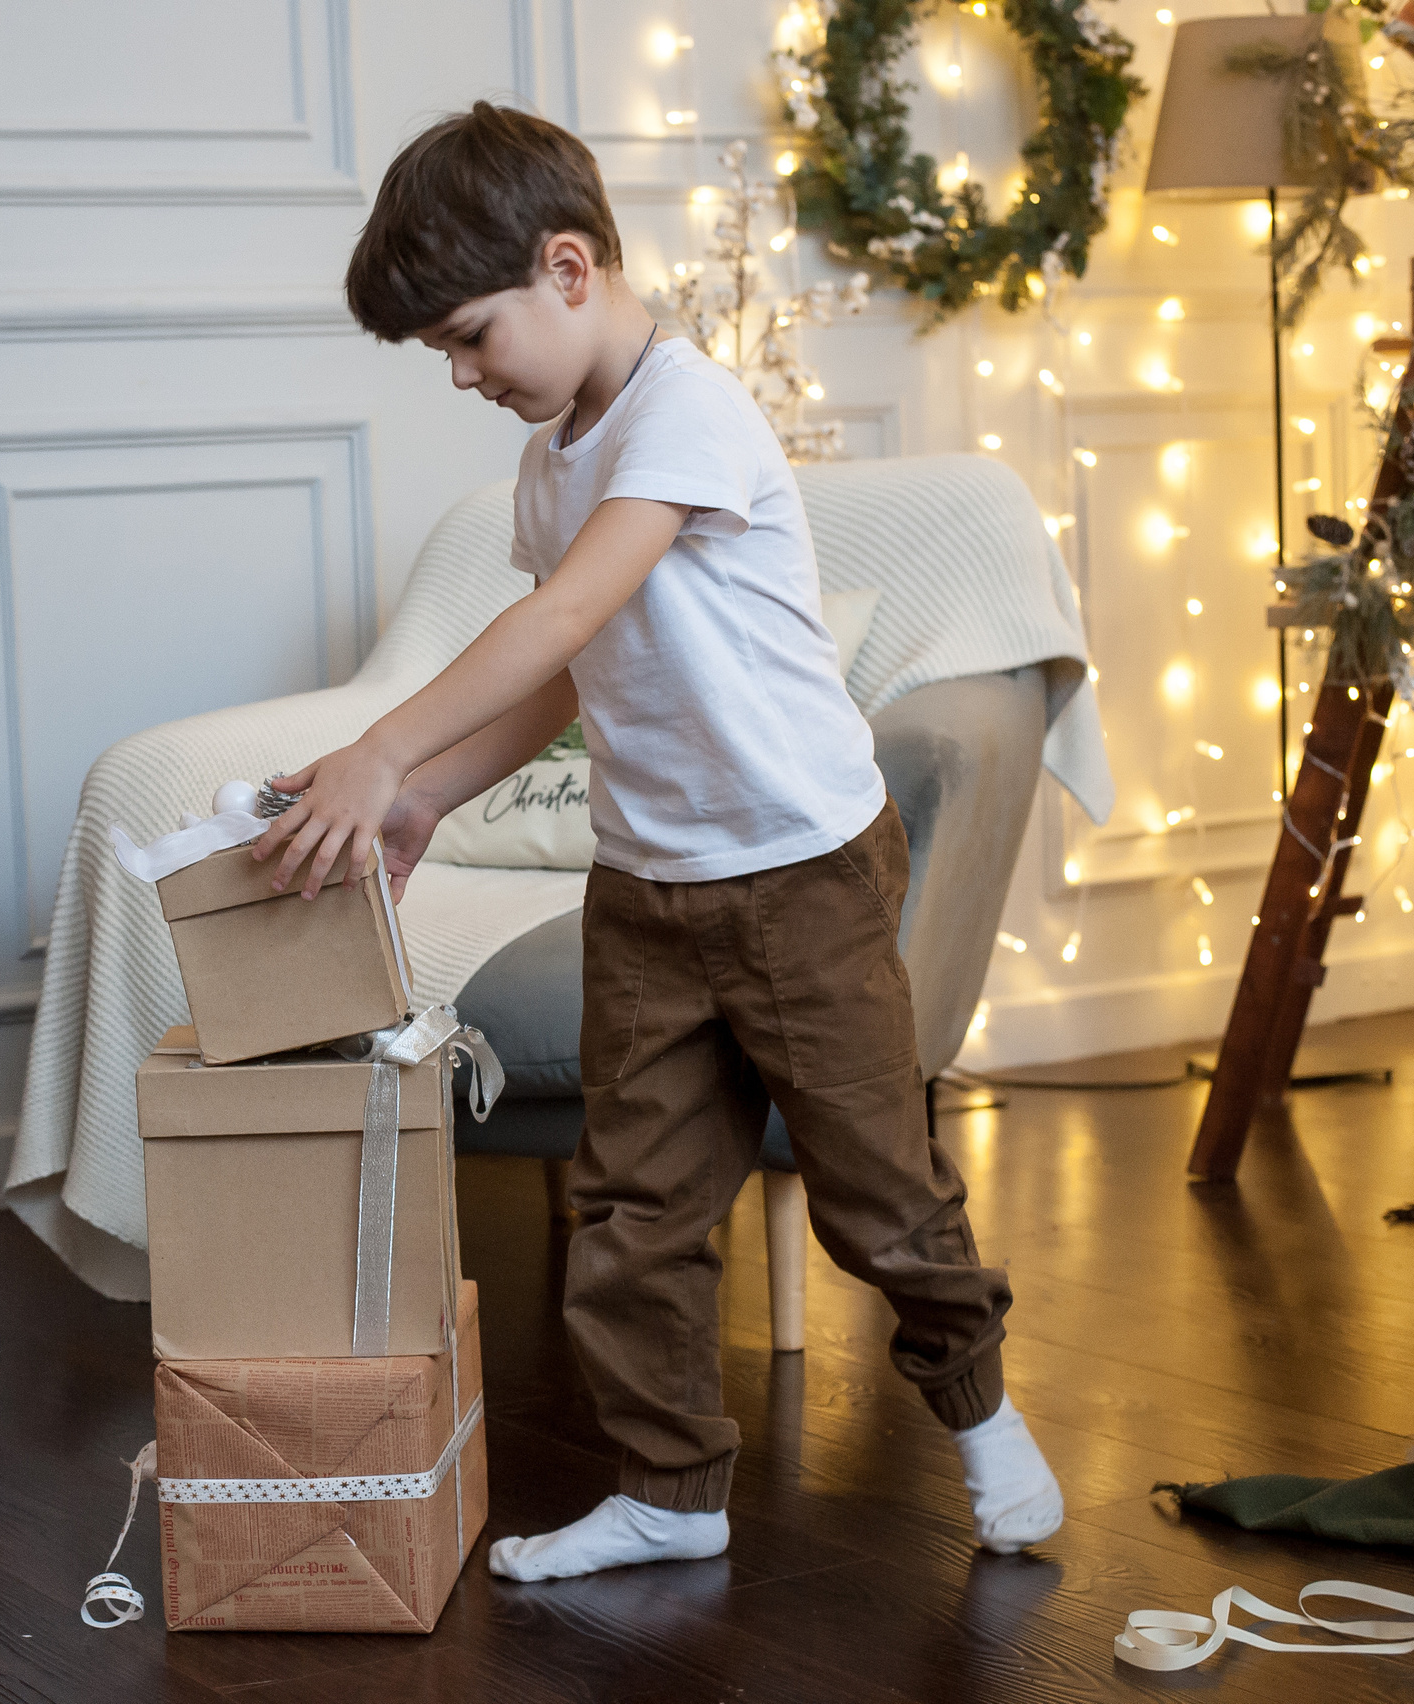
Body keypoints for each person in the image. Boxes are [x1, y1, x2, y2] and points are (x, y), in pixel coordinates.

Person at [252, 102, 1062, 1579]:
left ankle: (983, 1411)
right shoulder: (550, 460)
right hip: (649, 888)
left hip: (799, 872)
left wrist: (380, 750)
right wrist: (432, 794)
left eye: (470, 334)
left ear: (569, 268)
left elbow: (561, 613)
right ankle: (672, 1493)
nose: (461, 372)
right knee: (630, 1213)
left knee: (878, 1191)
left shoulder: (685, 409)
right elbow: (573, 671)